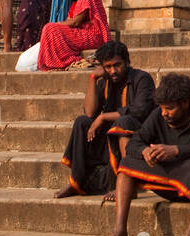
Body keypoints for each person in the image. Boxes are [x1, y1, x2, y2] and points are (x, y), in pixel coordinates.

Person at [95, 73, 190, 236]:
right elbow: (134, 143)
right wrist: (144, 152)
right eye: (163, 108)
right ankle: (120, 232)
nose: (164, 113)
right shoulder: (158, 114)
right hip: (167, 178)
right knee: (126, 164)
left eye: (170, 109)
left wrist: (176, 150)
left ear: (185, 103)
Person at [54, 40, 154, 198]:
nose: (113, 71)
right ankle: (76, 183)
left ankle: (128, 184)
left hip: (137, 139)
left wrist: (103, 117)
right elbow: (89, 113)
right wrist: (93, 78)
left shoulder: (142, 79)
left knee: (123, 122)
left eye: (117, 65)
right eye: (108, 67)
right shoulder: (105, 82)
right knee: (82, 123)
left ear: (127, 62)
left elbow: (139, 111)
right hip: (109, 140)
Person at [36, 0, 110, 70]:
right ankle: (54, 62)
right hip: (81, 34)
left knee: (51, 28)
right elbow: (68, 24)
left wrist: (56, 24)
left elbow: (76, 22)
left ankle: (65, 61)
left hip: (93, 36)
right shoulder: (74, 4)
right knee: (50, 29)